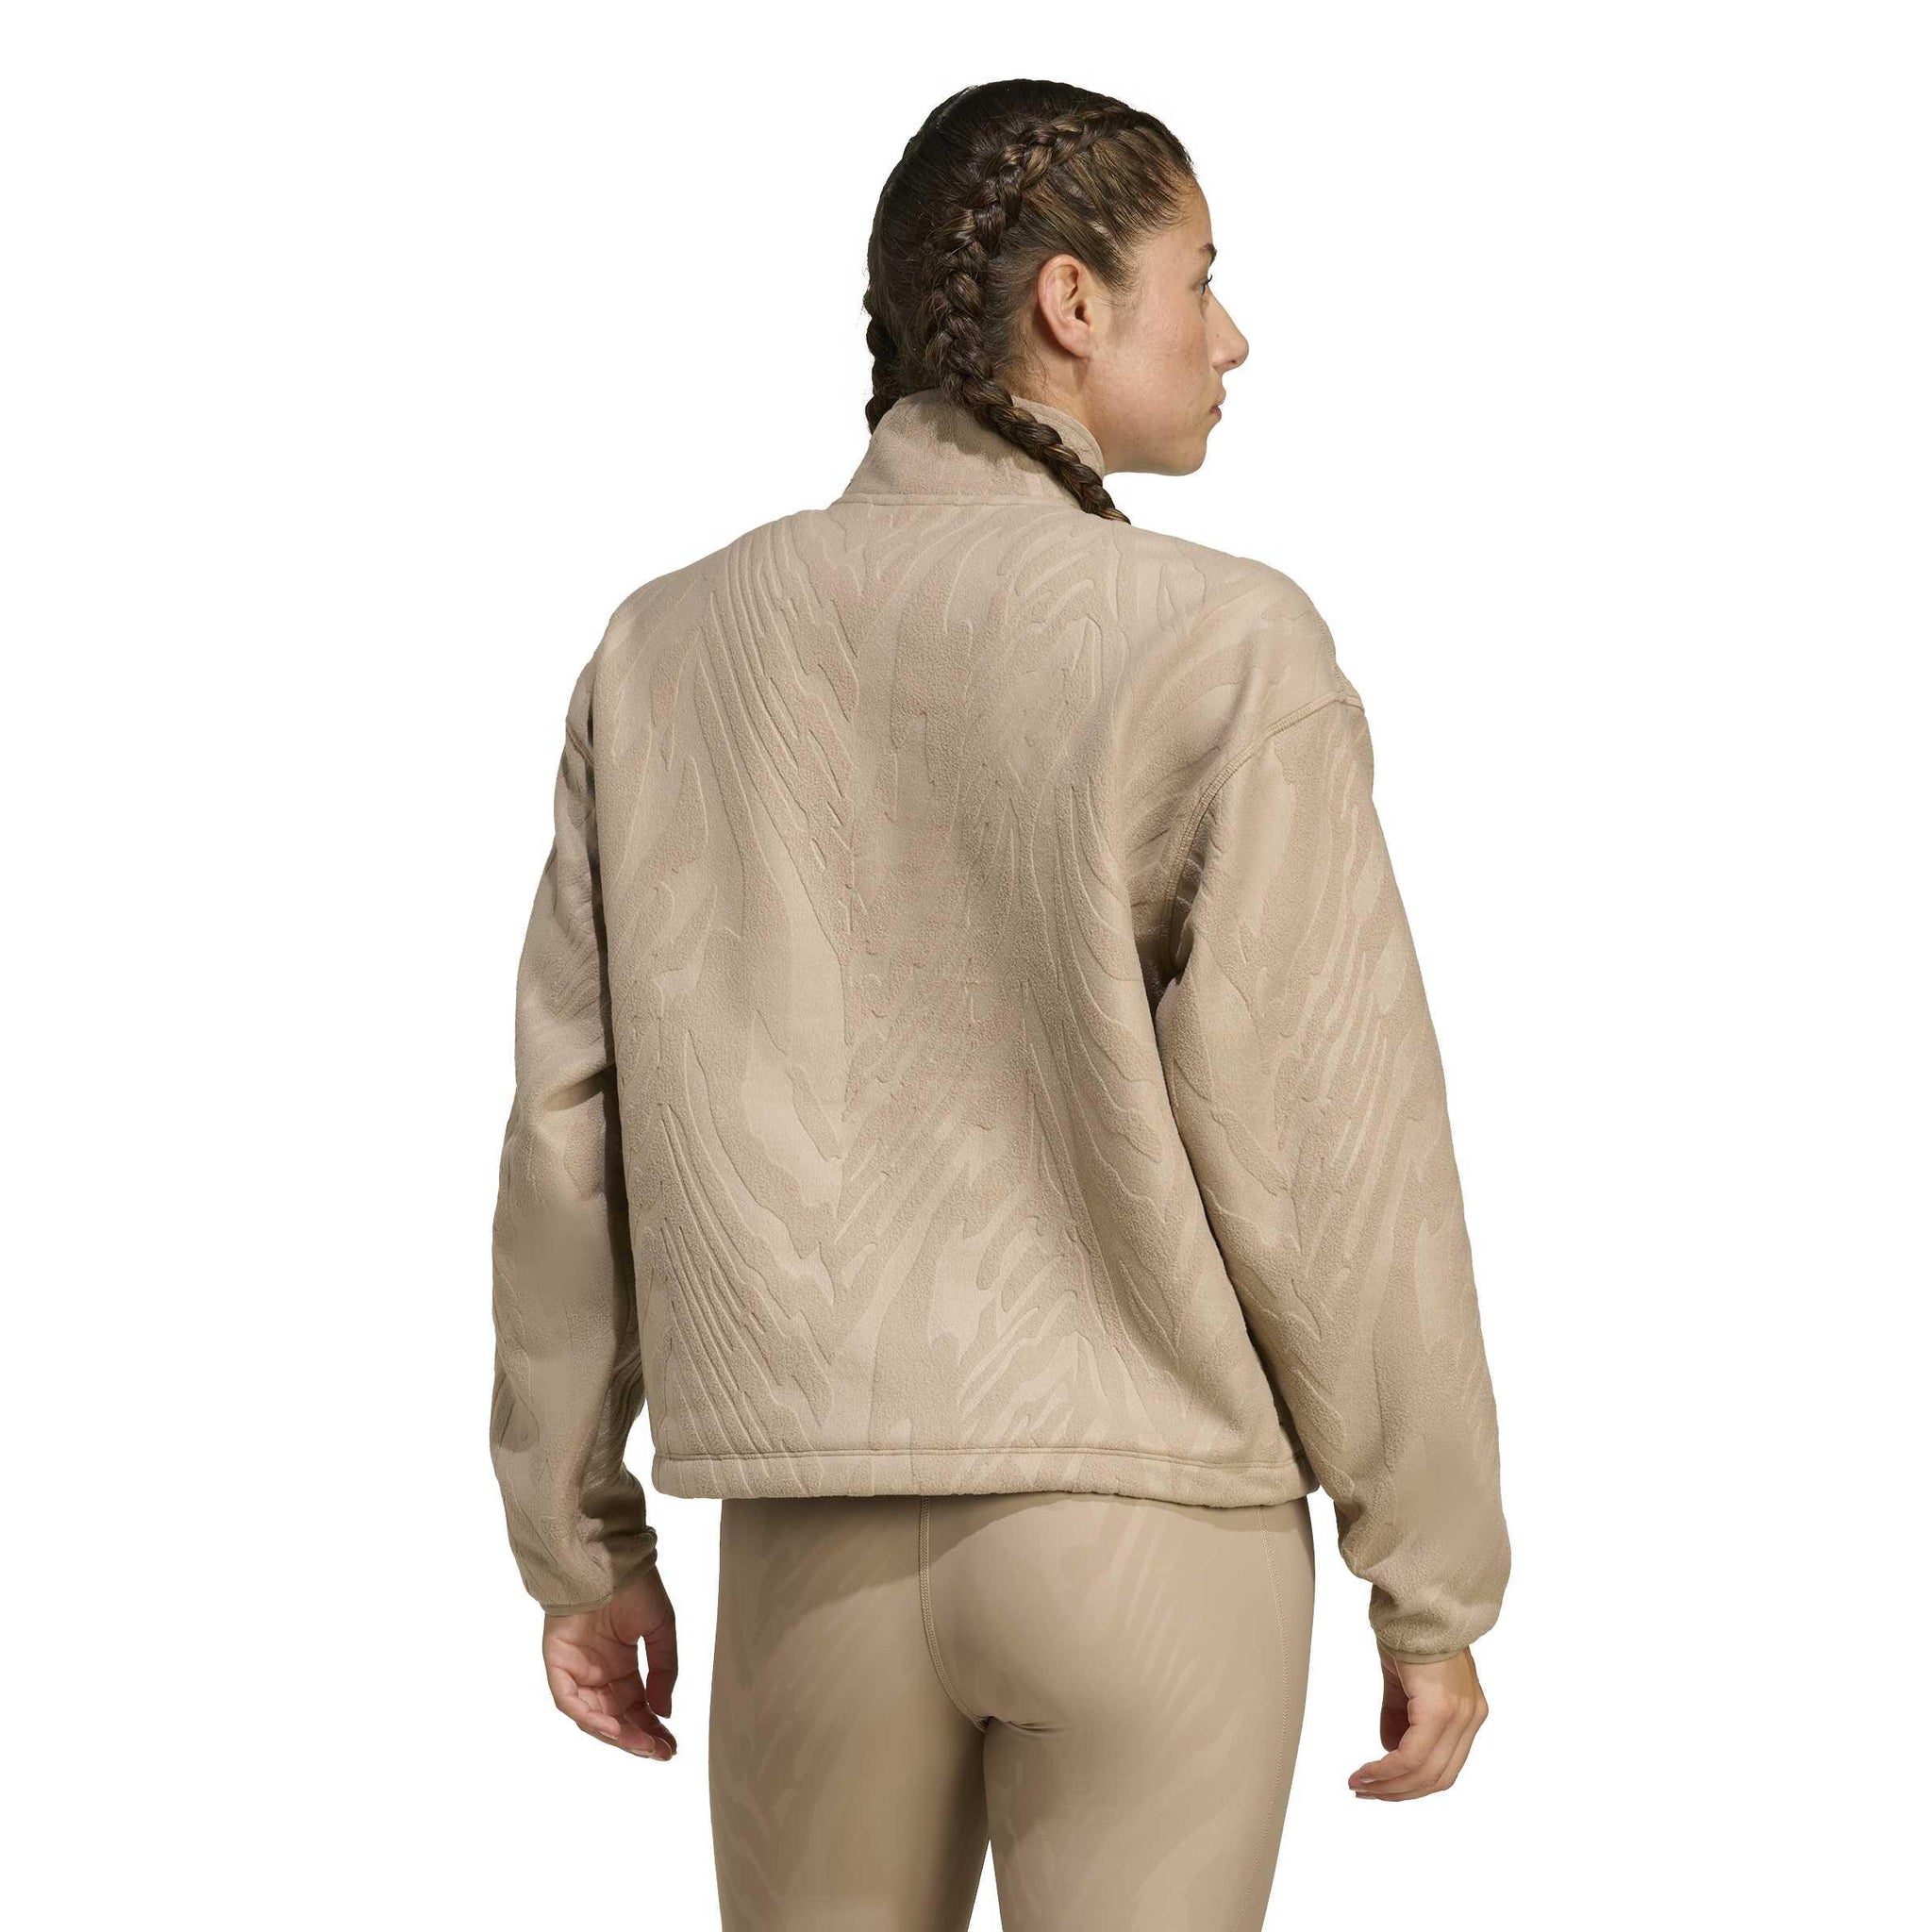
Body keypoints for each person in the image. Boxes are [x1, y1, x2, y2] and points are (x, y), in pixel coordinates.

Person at [489, 75, 1510, 1932]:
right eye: (1201, 278)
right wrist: (1430, 1574)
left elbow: (572, 1132)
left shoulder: (664, 648)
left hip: (808, 1546)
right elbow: (1332, 1147)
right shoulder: (1221, 643)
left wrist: (578, 1537)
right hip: (1151, 1535)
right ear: (1071, 303)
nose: (1231, 336)